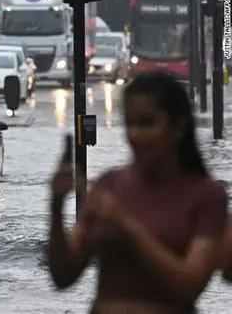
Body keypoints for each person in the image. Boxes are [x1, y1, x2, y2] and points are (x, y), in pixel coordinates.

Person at [48, 72, 228, 313]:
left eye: (146, 123)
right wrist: (57, 207)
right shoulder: (109, 185)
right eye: (129, 123)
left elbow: (188, 285)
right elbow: (63, 276)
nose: (134, 134)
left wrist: (126, 225)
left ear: (178, 127)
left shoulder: (206, 195)